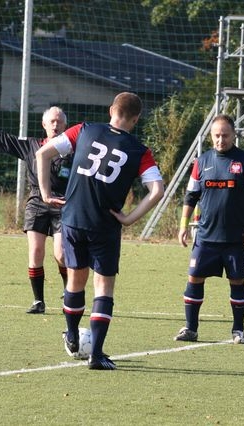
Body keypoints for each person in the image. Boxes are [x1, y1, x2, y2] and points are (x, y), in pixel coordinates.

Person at [35, 92, 164, 370]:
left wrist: (45, 193)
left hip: (72, 218)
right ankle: (96, 355)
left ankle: (72, 334)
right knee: (103, 287)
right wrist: (129, 219)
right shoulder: (139, 151)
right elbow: (157, 191)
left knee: (75, 279)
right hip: (104, 225)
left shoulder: (83, 130)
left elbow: (42, 153)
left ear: (110, 110)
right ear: (136, 119)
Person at [0, 107, 69, 314]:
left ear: (65, 126)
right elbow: (4, 139)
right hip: (37, 202)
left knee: (61, 254)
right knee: (35, 252)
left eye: (59, 121)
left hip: (63, 203)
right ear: (44, 125)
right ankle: (38, 301)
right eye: (52, 121)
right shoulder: (32, 146)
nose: (55, 125)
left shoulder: (73, 150)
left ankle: (69, 291)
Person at [174, 114, 244, 344]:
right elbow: (191, 196)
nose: (220, 140)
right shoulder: (201, 162)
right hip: (206, 236)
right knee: (194, 278)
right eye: (216, 135)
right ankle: (190, 329)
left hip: (237, 238)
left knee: (237, 281)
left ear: (234, 135)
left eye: (225, 135)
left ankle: (238, 330)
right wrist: (183, 225)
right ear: (210, 136)